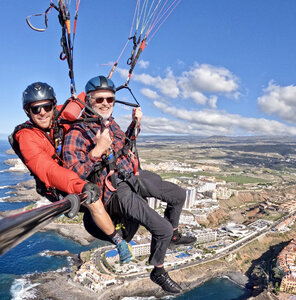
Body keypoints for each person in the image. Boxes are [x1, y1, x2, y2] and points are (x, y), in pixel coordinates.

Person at [63, 75, 196, 294]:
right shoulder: (77, 132)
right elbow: (72, 174)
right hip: (114, 191)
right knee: (159, 228)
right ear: (88, 100)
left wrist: (135, 123)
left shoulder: (109, 123)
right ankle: (158, 270)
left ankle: (173, 234)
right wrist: (97, 150)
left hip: (131, 175)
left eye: (110, 99)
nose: (106, 103)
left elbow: (125, 145)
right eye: (100, 100)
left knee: (178, 195)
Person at [11, 82, 133, 264]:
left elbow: (79, 101)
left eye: (46, 106)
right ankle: (119, 242)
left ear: (53, 105)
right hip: (57, 185)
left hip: (74, 169)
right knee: (92, 199)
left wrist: (100, 86)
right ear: (28, 112)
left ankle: (121, 215)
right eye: (36, 109)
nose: (43, 112)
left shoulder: (60, 116)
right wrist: (80, 185)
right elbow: (48, 170)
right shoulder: (27, 137)